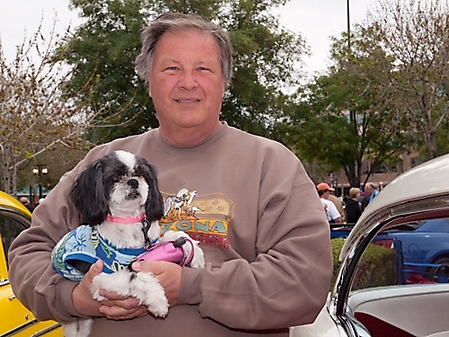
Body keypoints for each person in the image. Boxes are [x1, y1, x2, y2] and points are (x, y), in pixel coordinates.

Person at [8, 13, 332, 337]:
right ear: (149, 81)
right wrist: (75, 298)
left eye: (203, 69)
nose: (188, 82)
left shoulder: (272, 165)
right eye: (172, 68)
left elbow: (304, 282)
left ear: (224, 82)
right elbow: (29, 251)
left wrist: (193, 286)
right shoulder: (103, 164)